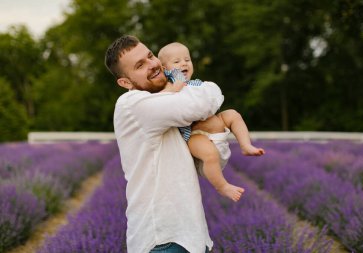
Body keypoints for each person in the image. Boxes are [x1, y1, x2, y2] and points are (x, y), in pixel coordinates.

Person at [105, 35, 222, 253]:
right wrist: (210, 89)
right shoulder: (131, 104)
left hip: (193, 236)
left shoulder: (166, 107)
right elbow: (203, 101)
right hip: (163, 241)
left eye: (150, 55)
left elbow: (208, 162)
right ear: (125, 82)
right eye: (140, 65)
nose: (152, 65)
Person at [158, 42, 265, 202]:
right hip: (195, 134)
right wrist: (175, 85)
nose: (184, 63)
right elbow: (168, 103)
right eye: (177, 61)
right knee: (210, 155)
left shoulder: (198, 84)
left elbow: (212, 98)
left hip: (216, 126)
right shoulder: (168, 87)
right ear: (166, 70)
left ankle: (245, 145)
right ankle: (222, 186)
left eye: (187, 59)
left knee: (232, 114)